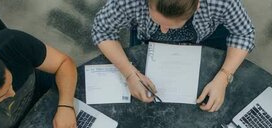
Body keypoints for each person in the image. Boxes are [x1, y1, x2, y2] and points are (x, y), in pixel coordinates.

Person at [91, 0, 255, 111]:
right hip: (147, 43)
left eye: (172, 24)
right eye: (158, 22)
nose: (163, 30)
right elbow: (102, 30)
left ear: (197, 5)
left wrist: (223, 77)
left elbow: (243, 34)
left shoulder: (221, 2)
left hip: (206, 39)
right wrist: (129, 73)